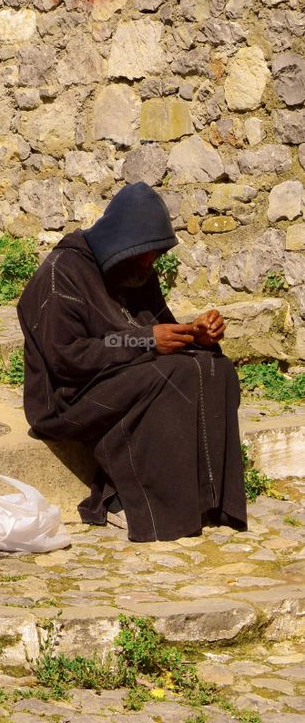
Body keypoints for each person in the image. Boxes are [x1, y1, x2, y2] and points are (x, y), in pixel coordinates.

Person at [16, 181, 247, 542]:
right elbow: (66, 357)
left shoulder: (135, 269)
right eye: (142, 254)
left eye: (154, 255)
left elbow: (158, 330)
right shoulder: (62, 274)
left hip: (120, 374)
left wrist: (194, 334)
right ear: (119, 241)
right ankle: (131, 501)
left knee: (214, 368)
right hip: (66, 398)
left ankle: (206, 498)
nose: (148, 262)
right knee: (172, 374)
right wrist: (147, 342)